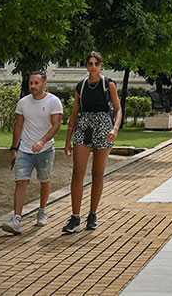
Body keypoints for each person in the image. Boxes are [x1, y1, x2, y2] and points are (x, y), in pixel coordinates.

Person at [61, 51, 123, 234]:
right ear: (86, 66)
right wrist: (68, 139)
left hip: (103, 126)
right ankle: (75, 217)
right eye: (90, 63)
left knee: (97, 173)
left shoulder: (108, 84)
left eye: (96, 63)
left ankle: (93, 213)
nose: (93, 66)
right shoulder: (80, 86)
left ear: (101, 65)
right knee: (77, 172)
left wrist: (115, 129)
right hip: (84, 126)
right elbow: (74, 113)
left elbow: (118, 109)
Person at [2, 71, 63, 235]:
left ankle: (42, 210)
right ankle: (16, 219)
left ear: (44, 83)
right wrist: (14, 148)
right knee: (20, 181)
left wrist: (42, 141)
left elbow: (56, 125)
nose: (33, 86)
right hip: (25, 149)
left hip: (46, 149)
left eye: (36, 83)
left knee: (44, 180)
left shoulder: (54, 101)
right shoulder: (23, 103)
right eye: (31, 83)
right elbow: (18, 125)